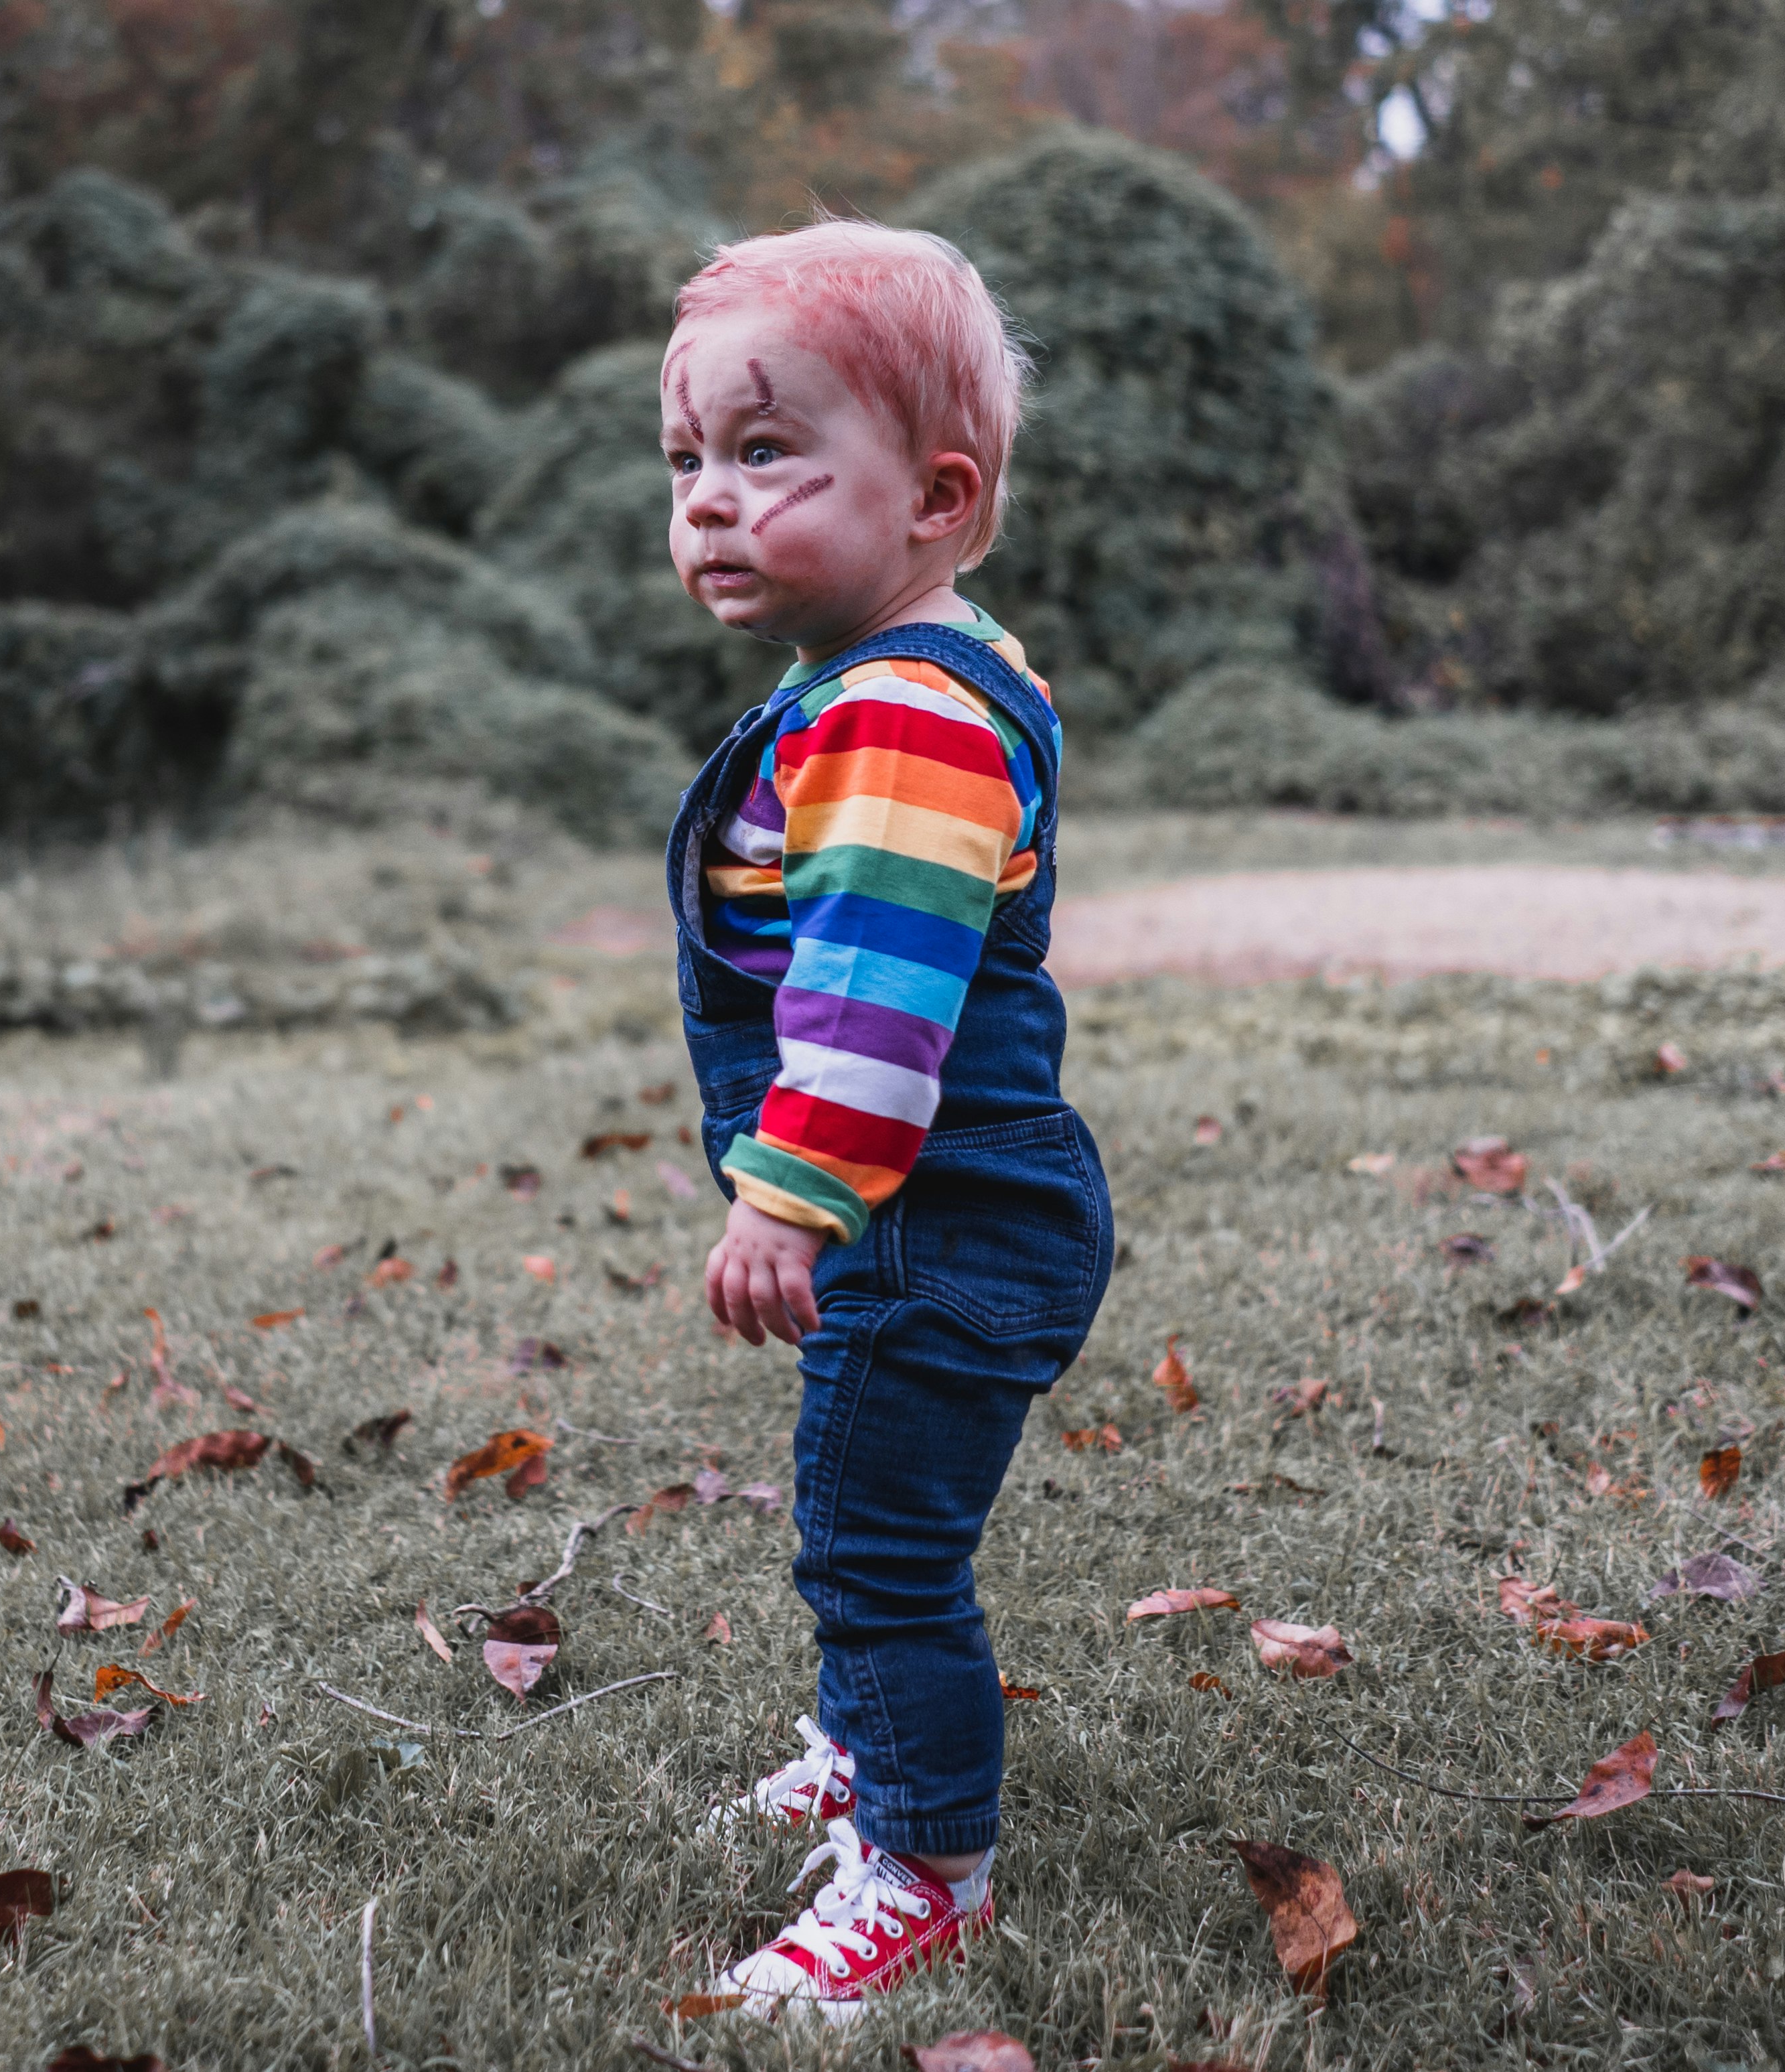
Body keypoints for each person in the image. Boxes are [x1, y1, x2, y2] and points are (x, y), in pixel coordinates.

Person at [660, 216, 1115, 2025]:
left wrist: (788, 1199)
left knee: (872, 1547)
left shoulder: (902, 715)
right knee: (871, 1515)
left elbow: (876, 1007)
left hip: (932, 1217)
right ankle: (866, 1753)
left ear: (933, 497)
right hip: (940, 1212)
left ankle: (923, 1866)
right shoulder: (917, 673)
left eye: (766, 451)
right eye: (688, 457)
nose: (707, 500)